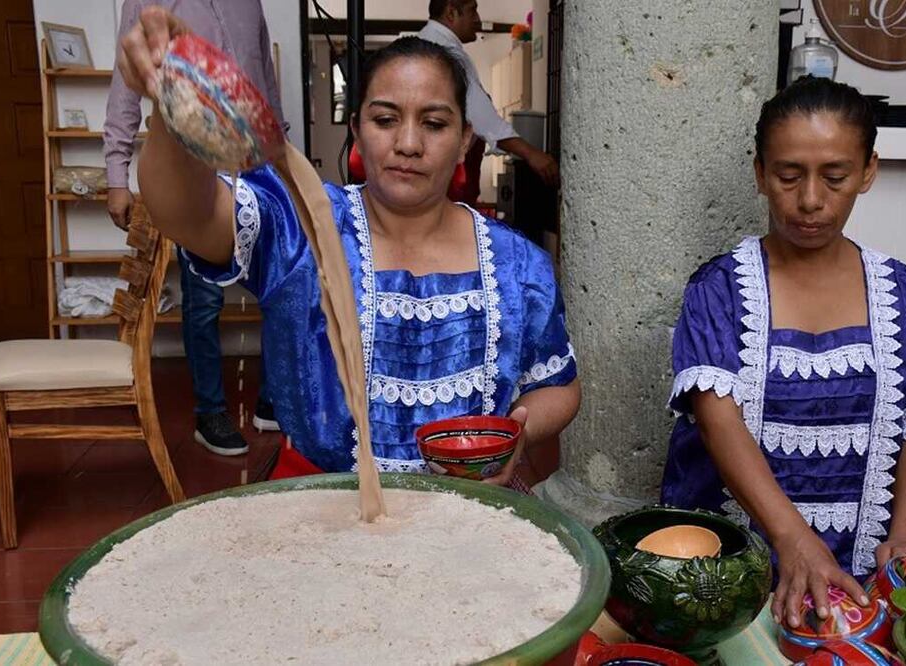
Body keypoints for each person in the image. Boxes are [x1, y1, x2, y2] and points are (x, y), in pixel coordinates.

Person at [115, 8, 581, 486]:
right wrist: (171, 105)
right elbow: (187, 212)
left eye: (435, 124)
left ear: (465, 140)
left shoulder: (517, 263)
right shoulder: (302, 225)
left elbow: (559, 387)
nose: (408, 143)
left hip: (473, 506)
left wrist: (518, 434)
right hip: (321, 502)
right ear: (357, 129)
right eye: (385, 120)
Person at [661, 77, 906, 628]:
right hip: (733, 564)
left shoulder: (904, 295)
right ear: (760, 174)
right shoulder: (721, 290)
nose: (811, 200)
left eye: (835, 177)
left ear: (869, 171)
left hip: (858, 567)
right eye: (789, 176)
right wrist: (793, 537)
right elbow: (717, 420)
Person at [105, 0, 285, 457]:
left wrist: (281, 153)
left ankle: (271, 398)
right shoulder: (147, 3)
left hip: (256, 164)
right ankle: (211, 411)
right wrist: (116, 176)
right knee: (203, 298)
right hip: (191, 162)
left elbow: (263, 73)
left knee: (280, 287)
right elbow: (126, 87)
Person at [418, 0, 560, 202]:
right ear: (451, 12)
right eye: (472, 11)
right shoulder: (444, 52)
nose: (477, 19)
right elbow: (479, 115)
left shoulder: (430, 43)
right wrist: (531, 154)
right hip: (446, 177)